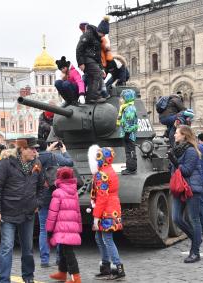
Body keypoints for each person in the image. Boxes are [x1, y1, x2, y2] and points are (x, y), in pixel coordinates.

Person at [0, 137, 43, 283]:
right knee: (7, 247)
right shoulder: (6, 164)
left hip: (28, 213)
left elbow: (41, 187)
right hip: (8, 213)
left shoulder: (37, 164)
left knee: (28, 249)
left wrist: (37, 202)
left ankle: (28, 277)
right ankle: (4, 280)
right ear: (22, 149)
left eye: (36, 149)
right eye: (31, 148)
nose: (35, 151)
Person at [88, 145, 125, 280]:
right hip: (112, 207)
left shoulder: (101, 174)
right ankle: (105, 266)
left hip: (106, 210)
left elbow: (102, 197)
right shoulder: (109, 170)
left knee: (107, 239)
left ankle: (118, 267)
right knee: (100, 238)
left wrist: (96, 217)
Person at [168, 125, 203, 263]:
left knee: (194, 220)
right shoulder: (177, 150)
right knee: (176, 218)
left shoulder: (191, 151)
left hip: (191, 188)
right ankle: (196, 239)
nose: (174, 135)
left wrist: (175, 162)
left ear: (184, 135)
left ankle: (195, 252)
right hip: (180, 188)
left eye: (176, 133)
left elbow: (187, 170)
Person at [37, 140, 74, 268]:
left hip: (42, 197)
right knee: (59, 228)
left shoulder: (34, 159)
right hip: (57, 196)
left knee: (43, 229)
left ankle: (44, 260)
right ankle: (59, 258)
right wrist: (63, 151)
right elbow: (70, 162)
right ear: (48, 146)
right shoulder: (55, 156)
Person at [46, 167, 82, 283]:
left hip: (61, 227)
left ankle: (75, 277)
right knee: (62, 250)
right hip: (71, 227)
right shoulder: (74, 192)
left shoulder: (57, 192)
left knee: (68, 252)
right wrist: (79, 227)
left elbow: (52, 213)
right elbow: (78, 212)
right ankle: (62, 272)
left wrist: (49, 230)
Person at [76, 18, 107, 104]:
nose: (104, 36)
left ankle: (90, 98)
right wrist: (81, 63)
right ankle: (95, 96)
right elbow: (79, 48)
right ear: (99, 30)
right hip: (86, 60)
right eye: (103, 33)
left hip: (92, 60)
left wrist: (102, 68)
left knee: (91, 78)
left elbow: (98, 56)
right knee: (97, 74)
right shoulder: (88, 34)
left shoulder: (97, 39)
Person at [116, 89, 138, 175]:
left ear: (127, 98)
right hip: (127, 133)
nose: (120, 100)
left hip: (129, 133)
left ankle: (131, 169)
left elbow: (130, 120)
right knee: (128, 151)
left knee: (130, 151)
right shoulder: (126, 107)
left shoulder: (129, 108)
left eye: (122, 98)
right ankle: (129, 166)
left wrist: (127, 132)